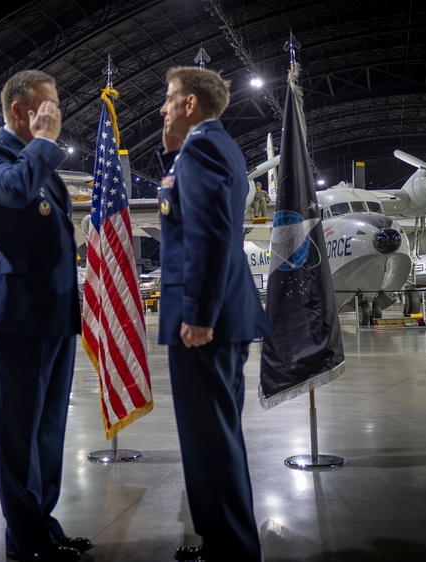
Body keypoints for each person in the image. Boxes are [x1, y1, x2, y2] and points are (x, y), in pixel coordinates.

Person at [0, 70, 89, 562]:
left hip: (54, 315)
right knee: (18, 437)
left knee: (48, 432)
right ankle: (25, 543)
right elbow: (15, 191)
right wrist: (43, 141)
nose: (54, 114)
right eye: (46, 105)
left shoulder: (44, 164)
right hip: (16, 316)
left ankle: (42, 524)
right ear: (19, 110)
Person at [156, 66, 272, 562]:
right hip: (224, 313)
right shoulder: (214, 147)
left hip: (205, 318)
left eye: (169, 98)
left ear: (189, 104)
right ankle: (226, 541)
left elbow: (208, 234)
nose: (162, 107)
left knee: (210, 439)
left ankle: (231, 549)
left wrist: (199, 312)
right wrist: (170, 154)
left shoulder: (201, 148)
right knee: (215, 434)